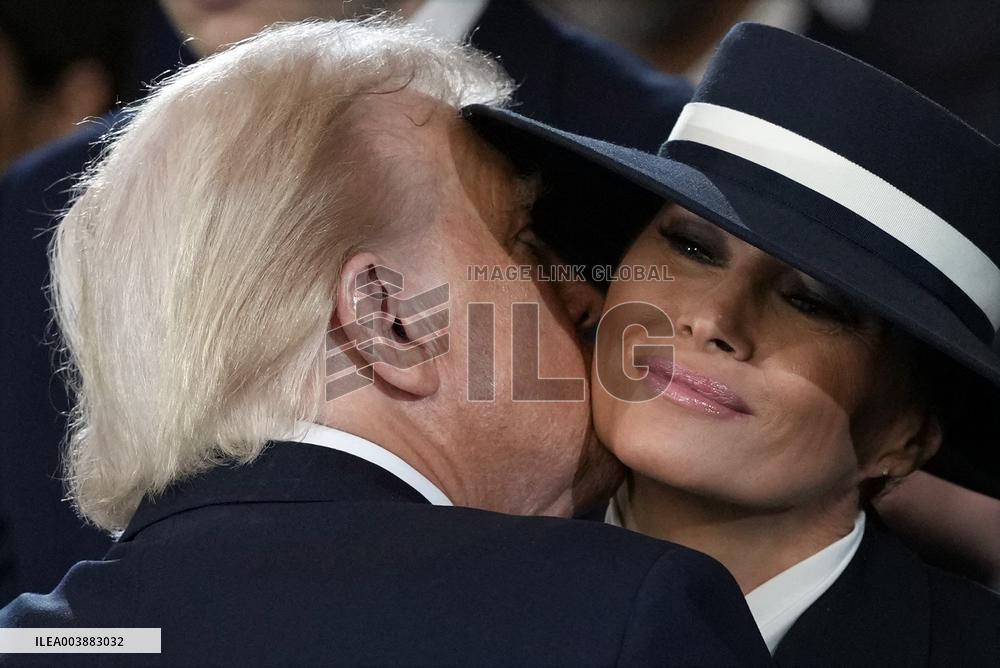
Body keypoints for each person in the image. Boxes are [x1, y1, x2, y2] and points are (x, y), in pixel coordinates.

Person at [0, 21, 769, 666]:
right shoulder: (617, 618)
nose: (585, 295)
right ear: (389, 318)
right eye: (526, 242)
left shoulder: (46, 643)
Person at [464, 22, 1000, 663]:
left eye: (809, 301)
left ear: (905, 436)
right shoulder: (442, 594)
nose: (715, 319)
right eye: (690, 247)